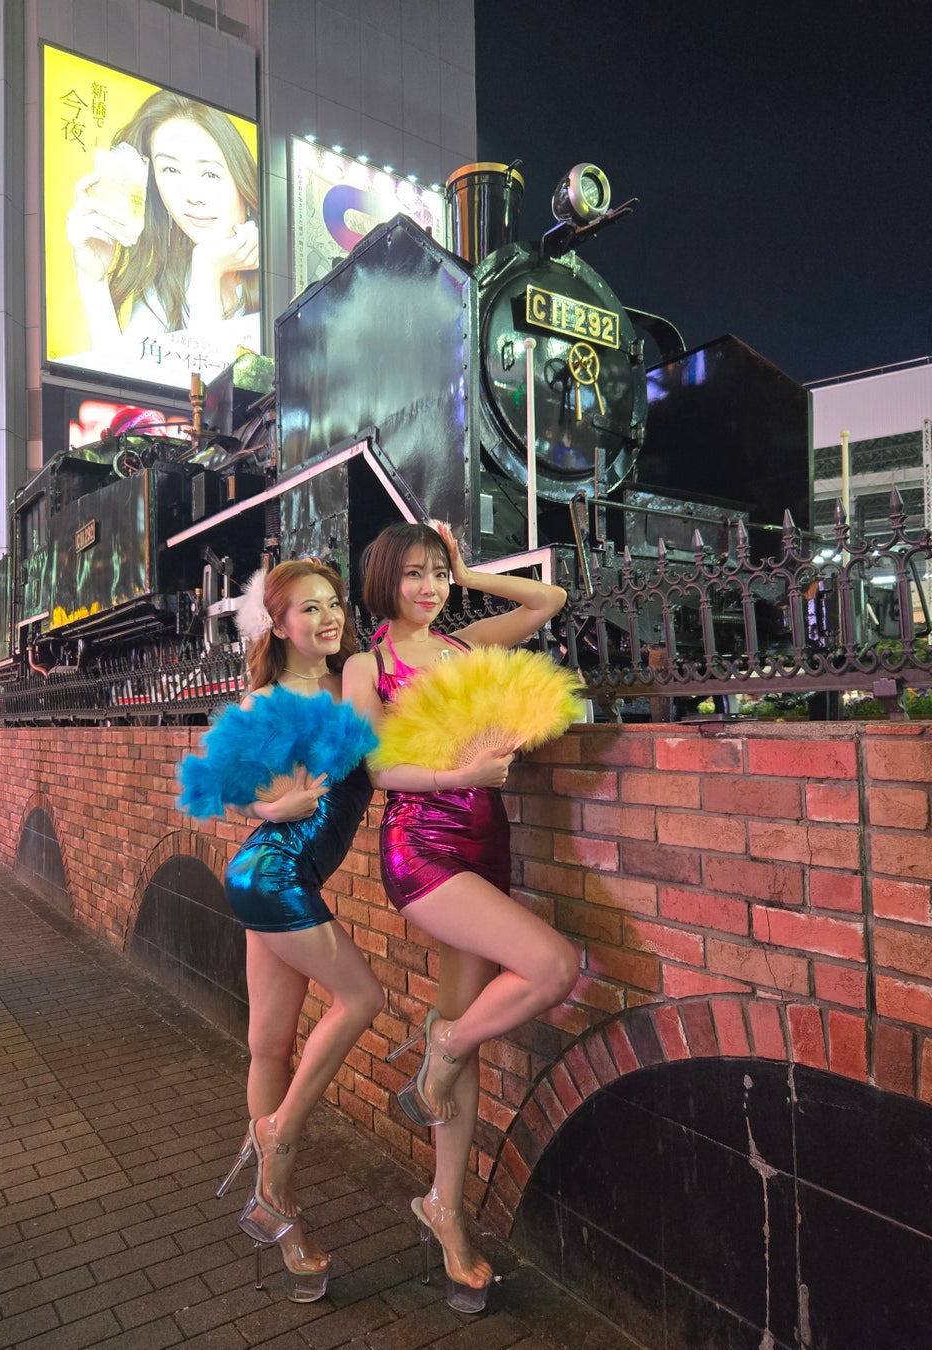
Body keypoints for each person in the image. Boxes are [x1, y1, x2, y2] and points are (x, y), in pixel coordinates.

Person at [342, 522, 580, 1313]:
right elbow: (378, 770)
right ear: (385, 579)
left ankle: (444, 1210)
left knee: (464, 1023)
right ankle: (439, 1048)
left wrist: (471, 571)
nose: (428, 588)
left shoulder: (465, 645)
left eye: (437, 573)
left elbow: (548, 599)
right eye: (414, 573)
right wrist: (462, 771)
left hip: (487, 841)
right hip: (421, 845)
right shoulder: (368, 667)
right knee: (551, 967)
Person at [211, 559, 384, 1302]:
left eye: (333, 603)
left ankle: (276, 1212)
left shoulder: (354, 683)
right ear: (277, 625)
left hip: (282, 880)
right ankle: (277, 1138)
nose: (329, 616)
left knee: (269, 1045)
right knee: (363, 998)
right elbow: (239, 784)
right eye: (309, 608)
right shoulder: (266, 701)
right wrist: (267, 807)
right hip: (272, 874)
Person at [66, 89, 260, 349]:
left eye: (210, 174)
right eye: (170, 169)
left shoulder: (282, 275)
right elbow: (122, 374)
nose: (192, 196)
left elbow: (211, 374)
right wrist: (93, 281)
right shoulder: (163, 289)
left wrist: (207, 272)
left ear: (242, 178)